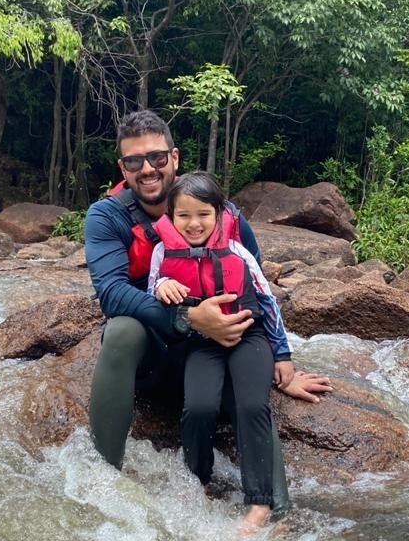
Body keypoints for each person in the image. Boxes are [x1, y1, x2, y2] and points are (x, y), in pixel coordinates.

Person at [84, 109, 333, 516]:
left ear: (175, 158)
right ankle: (101, 481)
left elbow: (254, 289)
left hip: (220, 344)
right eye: (134, 161)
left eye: (158, 158)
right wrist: (187, 318)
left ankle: (276, 512)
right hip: (159, 352)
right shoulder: (106, 216)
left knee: (244, 380)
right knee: (121, 331)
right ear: (122, 168)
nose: (148, 169)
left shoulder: (222, 213)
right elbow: (111, 293)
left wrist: (279, 361)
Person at [149, 171, 293, 532]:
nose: (193, 224)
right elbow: (153, 289)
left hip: (250, 336)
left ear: (218, 215)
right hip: (202, 344)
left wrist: (283, 355)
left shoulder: (237, 249)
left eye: (203, 214)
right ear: (170, 217)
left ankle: (259, 503)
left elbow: (267, 301)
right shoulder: (162, 251)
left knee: (250, 405)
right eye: (183, 216)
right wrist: (164, 285)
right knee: (198, 406)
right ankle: (198, 479)